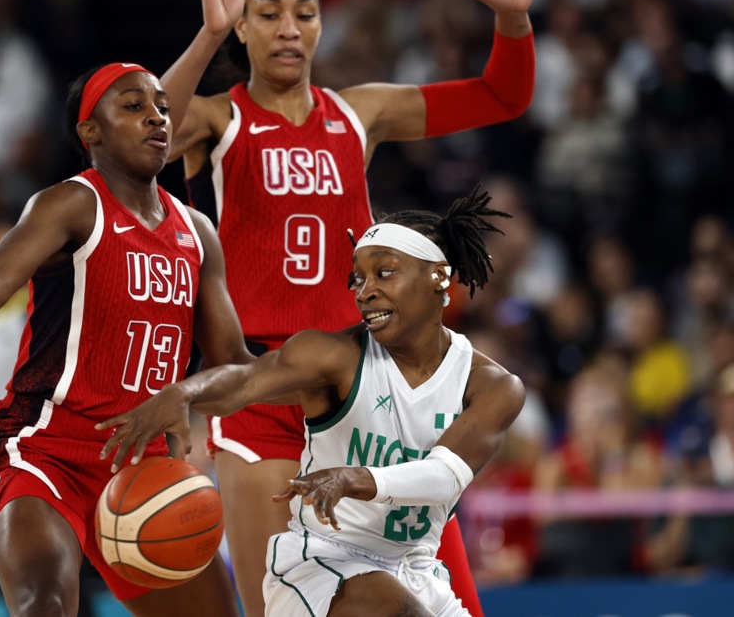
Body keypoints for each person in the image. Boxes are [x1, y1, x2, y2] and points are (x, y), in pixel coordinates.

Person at [160, 0, 548, 616]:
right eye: (268, 14)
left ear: (320, 25)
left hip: (366, 388)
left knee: (442, 601)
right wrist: (206, 36)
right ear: (242, 28)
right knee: (286, 607)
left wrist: (514, 18)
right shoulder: (220, 121)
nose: (288, 28)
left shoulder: (358, 113)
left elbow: (501, 96)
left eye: (304, 13)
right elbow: (142, 132)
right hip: (263, 388)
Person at [0, 59, 257, 612]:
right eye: (134, 106)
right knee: (43, 602)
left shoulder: (198, 233)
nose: (157, 118)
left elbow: (236, 364)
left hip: (142, 465)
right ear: (89, 133)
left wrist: (188, 394)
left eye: (163, 107)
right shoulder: (74, 202)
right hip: (44, 450)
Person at [98, 186, 526, 616]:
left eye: (385, 272)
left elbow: (443, 478)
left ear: (437, 277)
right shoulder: (335, 355)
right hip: (325, 565)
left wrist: (355, 478)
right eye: (358, 278)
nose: (365, 291)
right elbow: (245, 381)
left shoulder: (492, 385)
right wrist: (184, 392)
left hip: (417, 570)